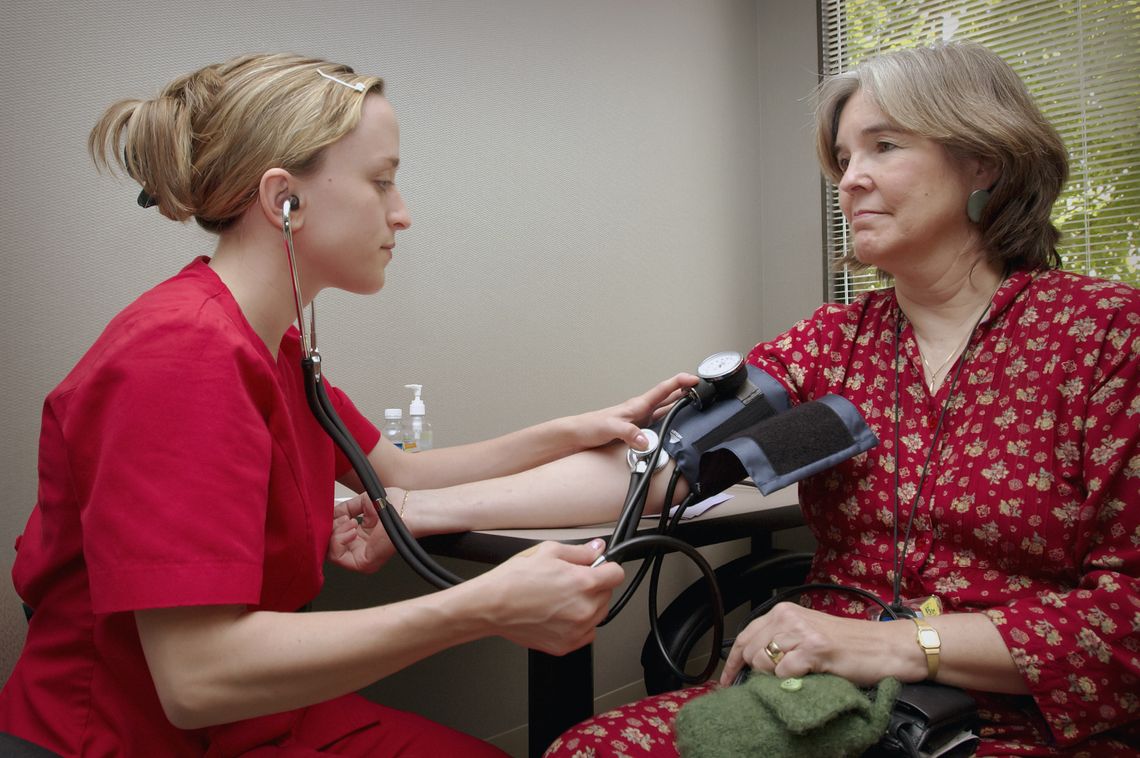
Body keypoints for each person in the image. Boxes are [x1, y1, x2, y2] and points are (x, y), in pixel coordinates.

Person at [0, 53, 698, 756]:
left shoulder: (267, 345)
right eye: (381, 181)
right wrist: (482, 607)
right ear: (284, 200)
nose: (403, 213)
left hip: (261, 719)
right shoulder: (182, 353)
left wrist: (571, 428)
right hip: (130, 737)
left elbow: (403, 474)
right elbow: (195, 679)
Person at [543, 41, 1139, 757]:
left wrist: (895, 645)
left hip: (1017, 719)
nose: (850, 180)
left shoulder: (1106, 336)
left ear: (984, 161)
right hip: (815, 701)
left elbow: (1127, 613)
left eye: (883, 147)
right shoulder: (837, 346)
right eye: (844, 159)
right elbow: (667, 467)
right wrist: (416, 507)